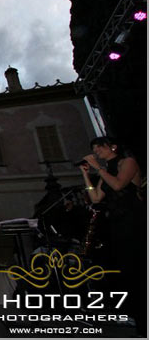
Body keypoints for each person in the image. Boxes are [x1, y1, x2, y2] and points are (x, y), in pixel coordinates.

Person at [79, 136, 146, 336]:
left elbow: (118, 185)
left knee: (139, 266)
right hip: (116, 223)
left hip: (134, 220)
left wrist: (98, 168)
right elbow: (96, 198)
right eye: (94, 148)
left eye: (99, 147)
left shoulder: (128, 162)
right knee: (126, 269)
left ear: (112, 146)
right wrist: (86, 176)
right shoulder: (104, 173)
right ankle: (137, 316)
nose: (96, 151)